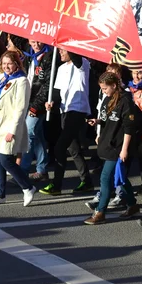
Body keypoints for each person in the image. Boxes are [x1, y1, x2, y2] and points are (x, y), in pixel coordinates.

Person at [83, 72, 140, 225]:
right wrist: (97, 121)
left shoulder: (126, 101)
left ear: (114, 86)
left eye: (105, 88)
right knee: (119, 177)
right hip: (107, 142)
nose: (103, 91)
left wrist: (124, 149)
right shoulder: (108, 99)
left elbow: (129, 127)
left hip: (118, 145)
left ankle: (100, 211)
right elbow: (107, 117)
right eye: (101, 89)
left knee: (105, 178)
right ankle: (132, 204)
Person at [0, 50, 37, 206]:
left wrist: (12, 130)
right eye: (4, 63)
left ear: (17, 64)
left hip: (8, 124)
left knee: (6, 159)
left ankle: (28, 187)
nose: (6, 67)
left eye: (9, 63)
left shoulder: (21, 81)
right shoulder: (1, 77)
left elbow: (21, 108)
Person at [40, 49, 93, 195]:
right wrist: (51, 103)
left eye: (63, 50)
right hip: (65, 110)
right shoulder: (62, 68)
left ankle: (56, 185)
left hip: (77, 110)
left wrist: (67, 42)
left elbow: (76, 58)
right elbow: (57, 93)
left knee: (59, 147)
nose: (60, 53)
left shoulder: (83, 64)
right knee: (73, 148)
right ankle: (87, 181)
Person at [21, 40, 54, 182]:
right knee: (38, 136)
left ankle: (22, 171)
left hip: (39, 103)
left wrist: (36, 106)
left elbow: (47, 85)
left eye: (39, 41)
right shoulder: (28, 56)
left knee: (29, 133)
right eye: (33, 41)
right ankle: (42, 169)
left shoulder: (49, 57)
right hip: (28, 99)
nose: (36, 44)